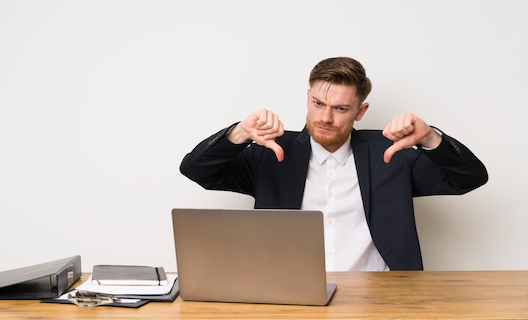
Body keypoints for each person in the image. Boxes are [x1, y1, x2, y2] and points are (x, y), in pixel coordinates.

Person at [179, 57, 488, 271]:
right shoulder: (270, 152)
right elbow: (196, 169)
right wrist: (239, 133)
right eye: (318, 104)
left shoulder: (392, 154)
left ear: (361, 111)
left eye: (340, 108)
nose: (326, 118)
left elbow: (470, 178)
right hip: (288, 295)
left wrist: (431, 138)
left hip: (382, 297)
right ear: (307, 97)